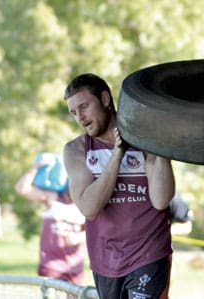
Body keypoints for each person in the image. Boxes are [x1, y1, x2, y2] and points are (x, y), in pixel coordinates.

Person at [62, 73, 175, 299]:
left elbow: (161, 199)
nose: (80, 117)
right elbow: (89, 207)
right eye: (74, 112)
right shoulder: (76, 149)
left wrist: (162, 147)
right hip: (105, 261)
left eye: (84, 106)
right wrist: (117, 155)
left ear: (105, 99)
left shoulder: (146, 139)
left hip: (149, 254)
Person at [15, 155, 86, 285]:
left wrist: (79, 237)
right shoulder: (52, 198)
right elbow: (22, 189)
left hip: (74, 270)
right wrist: (37, 167)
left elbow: (96, 232)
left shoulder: (87, 204)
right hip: (51, 268)